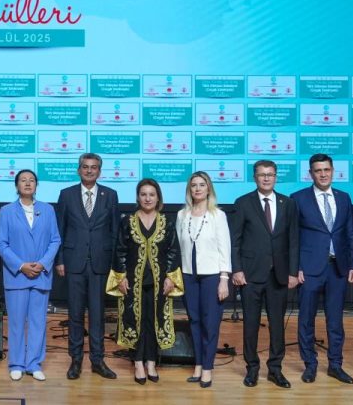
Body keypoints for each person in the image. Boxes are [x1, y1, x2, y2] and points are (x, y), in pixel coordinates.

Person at [229, 159, 299, 388]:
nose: (266, 178)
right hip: (250, 275)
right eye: (262, 174)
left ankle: (275, 369)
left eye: (270, 174)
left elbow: (293, 240)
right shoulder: (243, 203)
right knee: (250, 324)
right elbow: (235, 240)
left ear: (276, 177)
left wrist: (292, 272)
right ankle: (252, 368)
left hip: (279, 274)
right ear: (255, 177)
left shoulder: (288, 203)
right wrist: (237, 269)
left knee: (277, 325)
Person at [291, 154, 353, 385]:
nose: (323, 174)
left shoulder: (344, 197)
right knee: (306, 320)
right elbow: (293, 237)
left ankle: (335, 365)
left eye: (326, 170)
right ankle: (310, 365)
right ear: (310, 173)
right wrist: (296, 267)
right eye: (318, 170)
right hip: (309, 269)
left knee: (335, 321)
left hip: (337, 268)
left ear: (333, 171)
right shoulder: (298, 198)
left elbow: (350, 233)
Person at [109, 178, 183, 384]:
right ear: (138, 197)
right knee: (136, 321)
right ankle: (138, 362)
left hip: (160, 282)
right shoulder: (127, 221)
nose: (147, 198)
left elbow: (173, 251)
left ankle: (151, 361)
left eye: (151, 194)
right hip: (133, 282)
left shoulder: (167, 222)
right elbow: (120, 250)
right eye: (143, 194)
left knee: (154, 321)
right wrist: (121, 276)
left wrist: (170, 277)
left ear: (158, 197)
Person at [55, 153, 119, 380]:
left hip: (100, 263)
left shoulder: (110, 195)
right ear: (78, 170)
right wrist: (60, 260)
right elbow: (59, 231)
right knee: (75, 314)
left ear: (99, 171)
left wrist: (115, 265)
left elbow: (114, 232)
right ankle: (76, 360)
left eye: (94, 167)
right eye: (85, 167)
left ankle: (98, 360)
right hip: (74, 262)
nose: (89, 170)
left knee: (98, 315)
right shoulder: (66, 194)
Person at [0, 169, 61, 382]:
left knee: (37, 322)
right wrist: (21, 265)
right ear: (16, 185)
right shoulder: (6, 211)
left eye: (31, 180)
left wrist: (42, 264)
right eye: (23, 180)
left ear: (36, 185)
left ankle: (34, 363)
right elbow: (2, 244)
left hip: (40, 275)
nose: (27, 183)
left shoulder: (48, 210)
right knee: (16, 322)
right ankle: (16, 363)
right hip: (17, 276)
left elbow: (55, 240)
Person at [175, 171, 230, 388]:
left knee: (210, 323)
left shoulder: (218, 215)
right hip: (188, 275)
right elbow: (179, 248)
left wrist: (224, 278)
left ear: (209, 189)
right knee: (194, 321)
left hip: (212, 276)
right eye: (194, 185)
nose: (197, 189)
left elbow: (224, 248)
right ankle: (198, 364)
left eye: (202, 185)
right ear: (189, 189)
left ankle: (207, 367)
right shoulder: (182, 215)